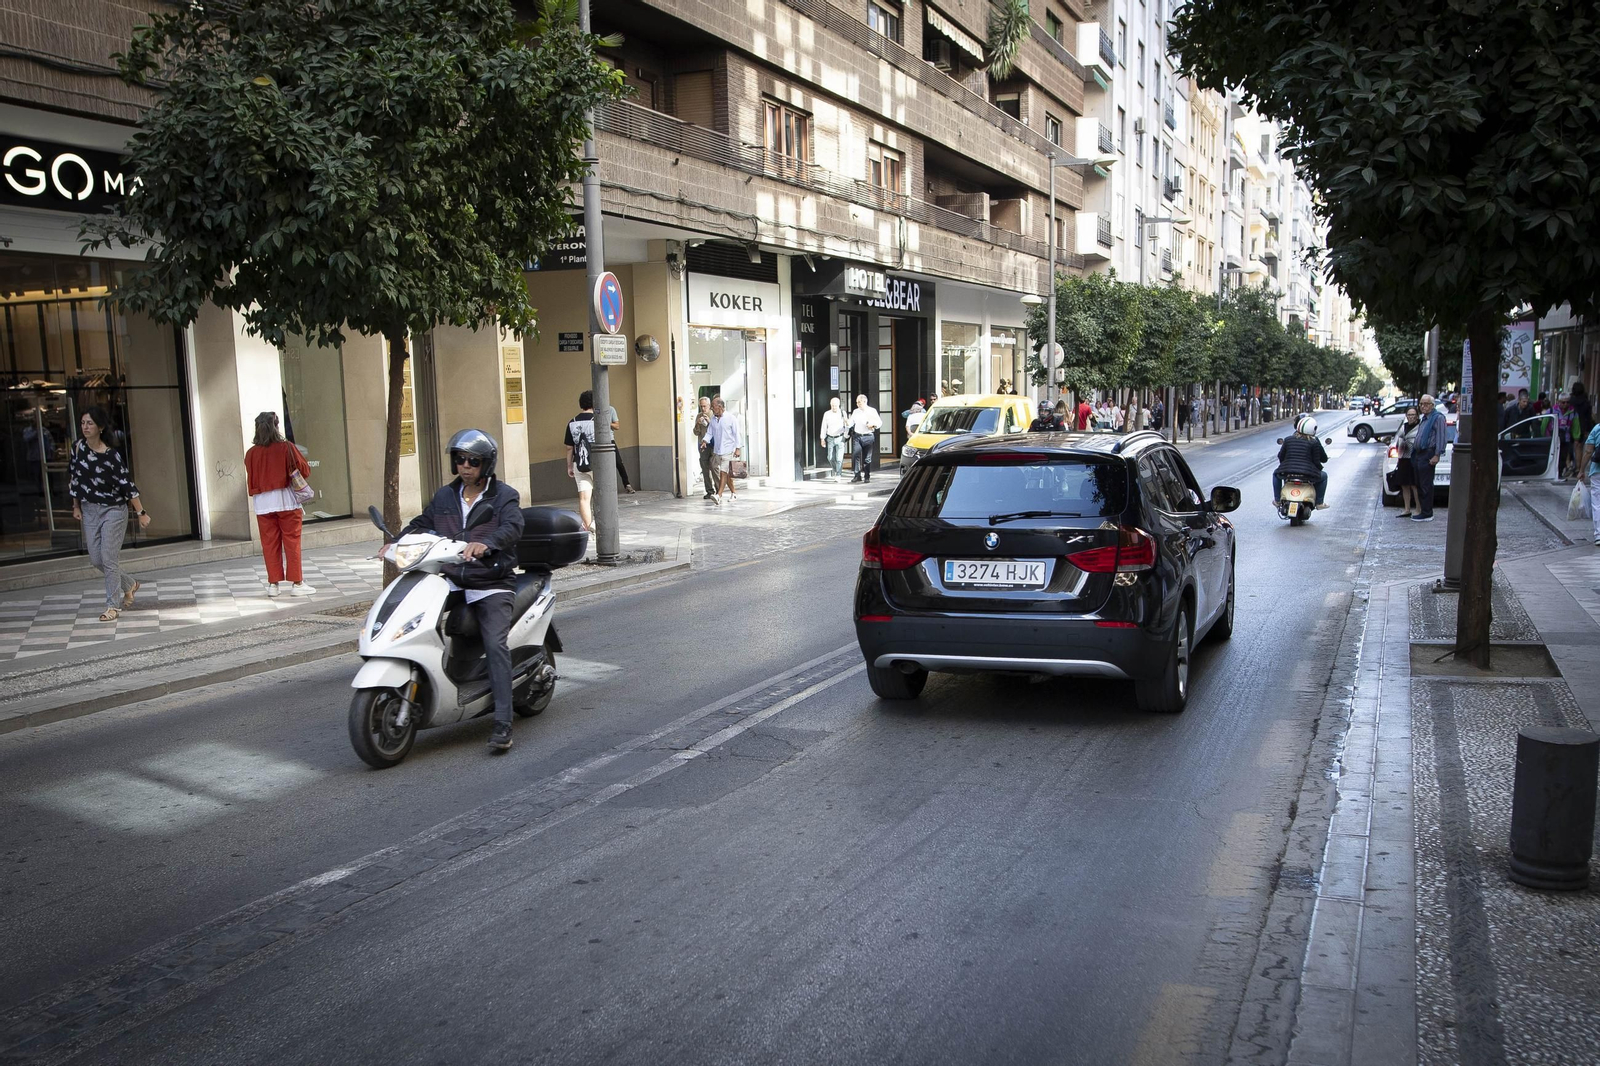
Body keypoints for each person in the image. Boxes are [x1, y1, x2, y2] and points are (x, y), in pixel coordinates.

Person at [396, 429, 525, 753]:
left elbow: (513, 526)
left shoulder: (503, 495)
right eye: (459, 459)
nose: (465, 466)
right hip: (452, 579)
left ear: (486, 464)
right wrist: (396, 541)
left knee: (495, 644)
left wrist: (488, 543)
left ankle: (503, 724)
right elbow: (422, 523)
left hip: (490, 581)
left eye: (472, 460)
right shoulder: (444, 496)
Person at [68, 406, 150, 622]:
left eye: (90, 423)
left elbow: (127, 484)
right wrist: (75, 505)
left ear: (100, 427)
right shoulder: (77, 448)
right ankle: (129, 584)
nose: (85, 427)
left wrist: (141, 512)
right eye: (83, 423)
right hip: (89, 508)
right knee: (96, 559)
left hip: (113, 509)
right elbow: (75, 478)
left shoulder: (111, 455)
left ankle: (112, 606)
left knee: (109, 558)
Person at [244, 411, 315, 598]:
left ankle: (273, 584)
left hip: (262, 504)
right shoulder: (286, 447)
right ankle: (297, 583)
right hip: (287, 501)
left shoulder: (251, 453)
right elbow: (304, 470)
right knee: (292, 541)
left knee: (269, 544)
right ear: (276, 427)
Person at [1273, 415, 1330, 509]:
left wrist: (1284, 467)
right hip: (1307, 474)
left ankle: (1277, 500)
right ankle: (1319, 503)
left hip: (1288, 473)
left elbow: (1281, 457)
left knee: (1275, 474)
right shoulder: (1314, 442)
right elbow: (1316, 462)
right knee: (1324, 476)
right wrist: (1319, 470)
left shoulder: (1288, 439)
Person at [563, 390, 598, 532]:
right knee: (602, 495)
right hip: (598, 464)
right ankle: (600, 525)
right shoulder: (598, 420)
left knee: (584, 498)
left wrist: (570, 466)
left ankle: (589, 527)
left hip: (580, 464)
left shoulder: (573, 422)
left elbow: (569, 448)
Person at [1411, 394, 1447, 522]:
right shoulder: (1424, 418)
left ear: (1432, 405)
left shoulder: (1438, 418)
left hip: (1429, 453)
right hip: (1420, 454)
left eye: (1426, 404)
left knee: (1426, 485)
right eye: (1421, 404)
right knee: (1420, 484)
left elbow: (1441, 437)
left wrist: (1437, 455)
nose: (1423, 406)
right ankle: (1423, 511)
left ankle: (1427, 512)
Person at [708, 394, 743, 500]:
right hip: (718, 450)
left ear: (720, 407)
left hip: (729, 450)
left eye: (713, 406)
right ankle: (734, 493)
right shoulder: (713, 419)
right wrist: (705, 441)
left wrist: (738, 448)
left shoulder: (731, 418)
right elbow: (709, 432)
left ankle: (718, 495)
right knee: (726, 474)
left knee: (723, 472)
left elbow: (737, 434)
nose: (711, 408)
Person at [1393, 406, 1422, 517]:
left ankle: (1418, 509)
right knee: (1404, 484)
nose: (1411, 417)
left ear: (1417, 416)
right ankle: (1407, 509)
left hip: (1414, 458)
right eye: (1409, 415)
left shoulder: (1420, 427)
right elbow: (1398, 439)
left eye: (1413, 415)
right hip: (1403, 458)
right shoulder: (1404, 427)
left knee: (1414, 485)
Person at [847, 394, 881, 483]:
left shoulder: (872, 411)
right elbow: (850, 423)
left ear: (865, 401)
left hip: (868, 436)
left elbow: (879, 422)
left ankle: (867, 476)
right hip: (857, 436)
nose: (857, 404)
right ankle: (857, 475)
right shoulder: (855, 411)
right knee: (856, 455)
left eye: (859, 402)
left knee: (867, 458)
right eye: (857, 402)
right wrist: (847, 422)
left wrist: (873, 425)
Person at [603, 404, 637, 494]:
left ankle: (627, 485)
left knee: (619, 463)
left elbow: (617, 426)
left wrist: (606, 422)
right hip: (595, 440)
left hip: (609, 440)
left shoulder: (610, 409)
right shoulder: (592, 411)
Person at [1578, 418, 1600, 546]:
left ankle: (1599, 535)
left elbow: (1588, 451)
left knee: (1597, 503)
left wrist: (1581, 470)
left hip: (1597, 472)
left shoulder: (1597, 429)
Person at [693, 396, 716, 500]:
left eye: (705, 406)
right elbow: (696, 432)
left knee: (715, 468)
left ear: (709, 405)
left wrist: (710, 421)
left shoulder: (714, 415)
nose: (703, 409)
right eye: (701, 406)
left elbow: (718, 430)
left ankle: (718, 490)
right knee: (705, 469)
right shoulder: (699, 416)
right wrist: (698, 424)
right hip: (703, 445)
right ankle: (709, 491)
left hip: (714, 445)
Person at [820, 395, 848, 480]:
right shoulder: (827, 414)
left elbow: (847, 425)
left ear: (838, 405)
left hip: (840, 437)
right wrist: (822, 438)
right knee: (830, 457)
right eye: (832, 405)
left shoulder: (843, 413)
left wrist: (846, 436)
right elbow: (824, 426)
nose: (834, 407)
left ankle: (838, 474)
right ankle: (836, 470)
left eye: (835, 405)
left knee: (839, 458)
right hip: (830, 438)